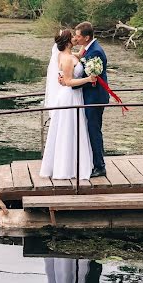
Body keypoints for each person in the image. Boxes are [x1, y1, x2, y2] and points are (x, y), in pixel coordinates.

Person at [39, 29, 96, 180]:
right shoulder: (67, 59)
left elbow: (81, 54)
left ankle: (70, 164)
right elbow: (69, 81)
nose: (75, 39)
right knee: (68, 130)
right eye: (73, 37)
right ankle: (66, 167)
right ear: (67, 41)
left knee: (72, 129)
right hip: (70, 97)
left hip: (72, 96)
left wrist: (87, 38)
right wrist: (88, 79)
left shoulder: (66, 55)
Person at [62, 21, 109, 178]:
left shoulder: (96, 52)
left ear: (87, 37)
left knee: (94, 130)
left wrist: (68, 83)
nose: (76, 38)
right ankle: (96, 162)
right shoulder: (90, 49)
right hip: (90, 96)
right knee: (93, 129)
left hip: (95, 98)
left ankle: (100, 166)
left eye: (78, 36)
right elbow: (82, 60)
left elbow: (87, 75)